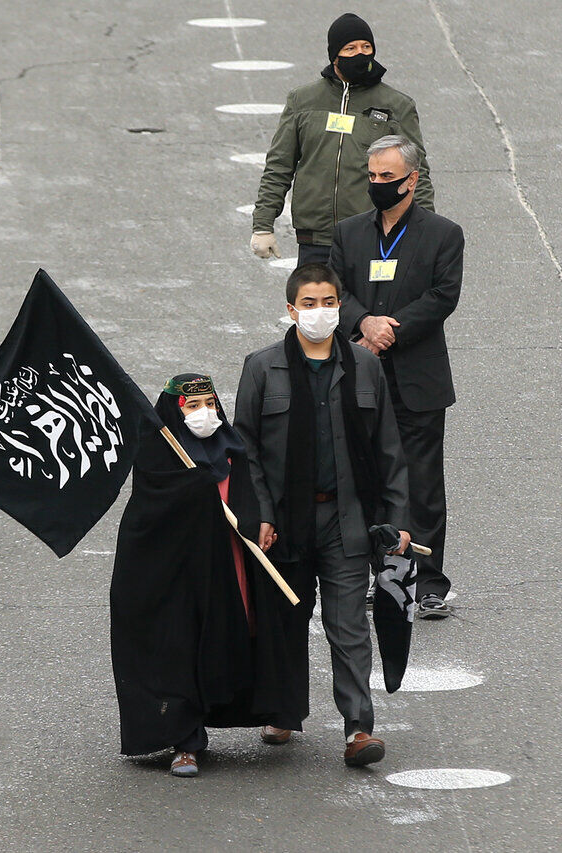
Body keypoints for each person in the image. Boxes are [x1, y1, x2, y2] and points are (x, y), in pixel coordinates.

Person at [233, 264, 411, 767]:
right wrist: (260, 512)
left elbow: (389, 449)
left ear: (340, 307)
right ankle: (283, 712)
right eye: (308, 304)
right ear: (291, 311)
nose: (319, 312)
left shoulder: (363, 365)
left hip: (345, 519)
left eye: (328, 302)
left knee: (349, 624)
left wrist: (397, 516)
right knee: (284, 622)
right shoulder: (261, 368)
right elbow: (245, 447)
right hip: (285, 522)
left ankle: (359, 727)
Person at [110, 375, 303, 778]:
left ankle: (270, 711)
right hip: (174, 576)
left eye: (209, 404)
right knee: (180, 647)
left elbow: (249, 498)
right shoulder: (159, 456)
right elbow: (149, 516)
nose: (204, 414)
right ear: (173, 410)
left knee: (231, 642)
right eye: (192, 406)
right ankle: (186, 743)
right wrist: (193, 490)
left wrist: (256, 521)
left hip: (228, 570)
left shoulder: (233, 450)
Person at [329, 135, 463, 619]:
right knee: (370, 479)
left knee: (422, 483)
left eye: (388, 177)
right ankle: (386, 575)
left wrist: (389, 331)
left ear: (413, 179)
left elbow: (442, 297)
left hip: (416, 377)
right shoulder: (348, 233)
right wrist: (362, 322)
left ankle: (429, 582)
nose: (378, 184)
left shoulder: (443, 234)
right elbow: (334, 289)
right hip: (360, 373)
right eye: (372, 176)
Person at [249, 12, 434, 268]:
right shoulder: (302, 101)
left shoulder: (396, 106)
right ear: (334, 56)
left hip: (373, 235)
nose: (360, 53)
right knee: (317, 309)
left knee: (365, 309)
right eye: (351, 48)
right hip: (314, 238)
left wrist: (425, 233)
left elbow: (417, 174)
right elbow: (279, 166)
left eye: (366, 47)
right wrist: (262, 225)